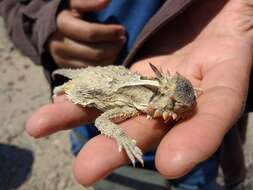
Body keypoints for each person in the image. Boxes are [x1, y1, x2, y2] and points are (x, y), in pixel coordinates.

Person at [1, 0, 252, 189]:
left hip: (198, 160)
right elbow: (101, 120)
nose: (180, 108)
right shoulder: (132, 108)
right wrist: (122, 136)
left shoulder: (165, 87)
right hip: (96, 95)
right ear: (162, 99)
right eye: (174, 104)